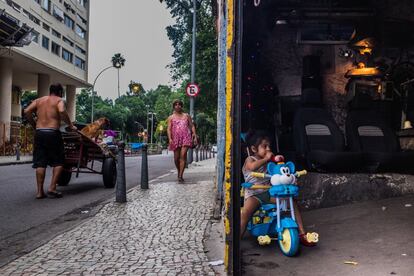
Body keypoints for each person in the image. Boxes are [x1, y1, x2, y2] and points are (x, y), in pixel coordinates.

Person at [241, 130, 317, 246]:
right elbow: (251, 167)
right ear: (254, 149)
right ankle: (236, 239)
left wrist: (279, 161)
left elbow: (279, 171)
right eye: (264, 146)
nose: (268, 149)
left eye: (269, 146)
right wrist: (266, 159)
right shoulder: (250, 159)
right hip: (254, 194)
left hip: (268, 192)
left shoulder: (269, 162)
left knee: (291, 202)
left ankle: (302, 233)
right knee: (245, 213)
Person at [24, 84, 77, 199]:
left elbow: (27, 111)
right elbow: (62, 111)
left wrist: (34, 124)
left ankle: (39, 192)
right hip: (53, 133)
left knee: (40, 162)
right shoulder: (59, 100)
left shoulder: (39, 100)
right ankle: (52, 188)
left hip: (39, 133)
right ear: (60, 92)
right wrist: (71, 125)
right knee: (59, 161)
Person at [167, 99, 197, 183]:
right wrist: (170, 138)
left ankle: (180, 175)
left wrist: (194, 134)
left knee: (183, 155)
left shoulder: (186, 116)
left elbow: (192, 126)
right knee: (176, 158)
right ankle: (179, 170)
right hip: (175, 139)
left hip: (186, 138)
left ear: (181, 106)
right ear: (174, 106)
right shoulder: (171, 117)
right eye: (176, 104)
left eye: (179, 104)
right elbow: (169, 129)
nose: (178, 106)